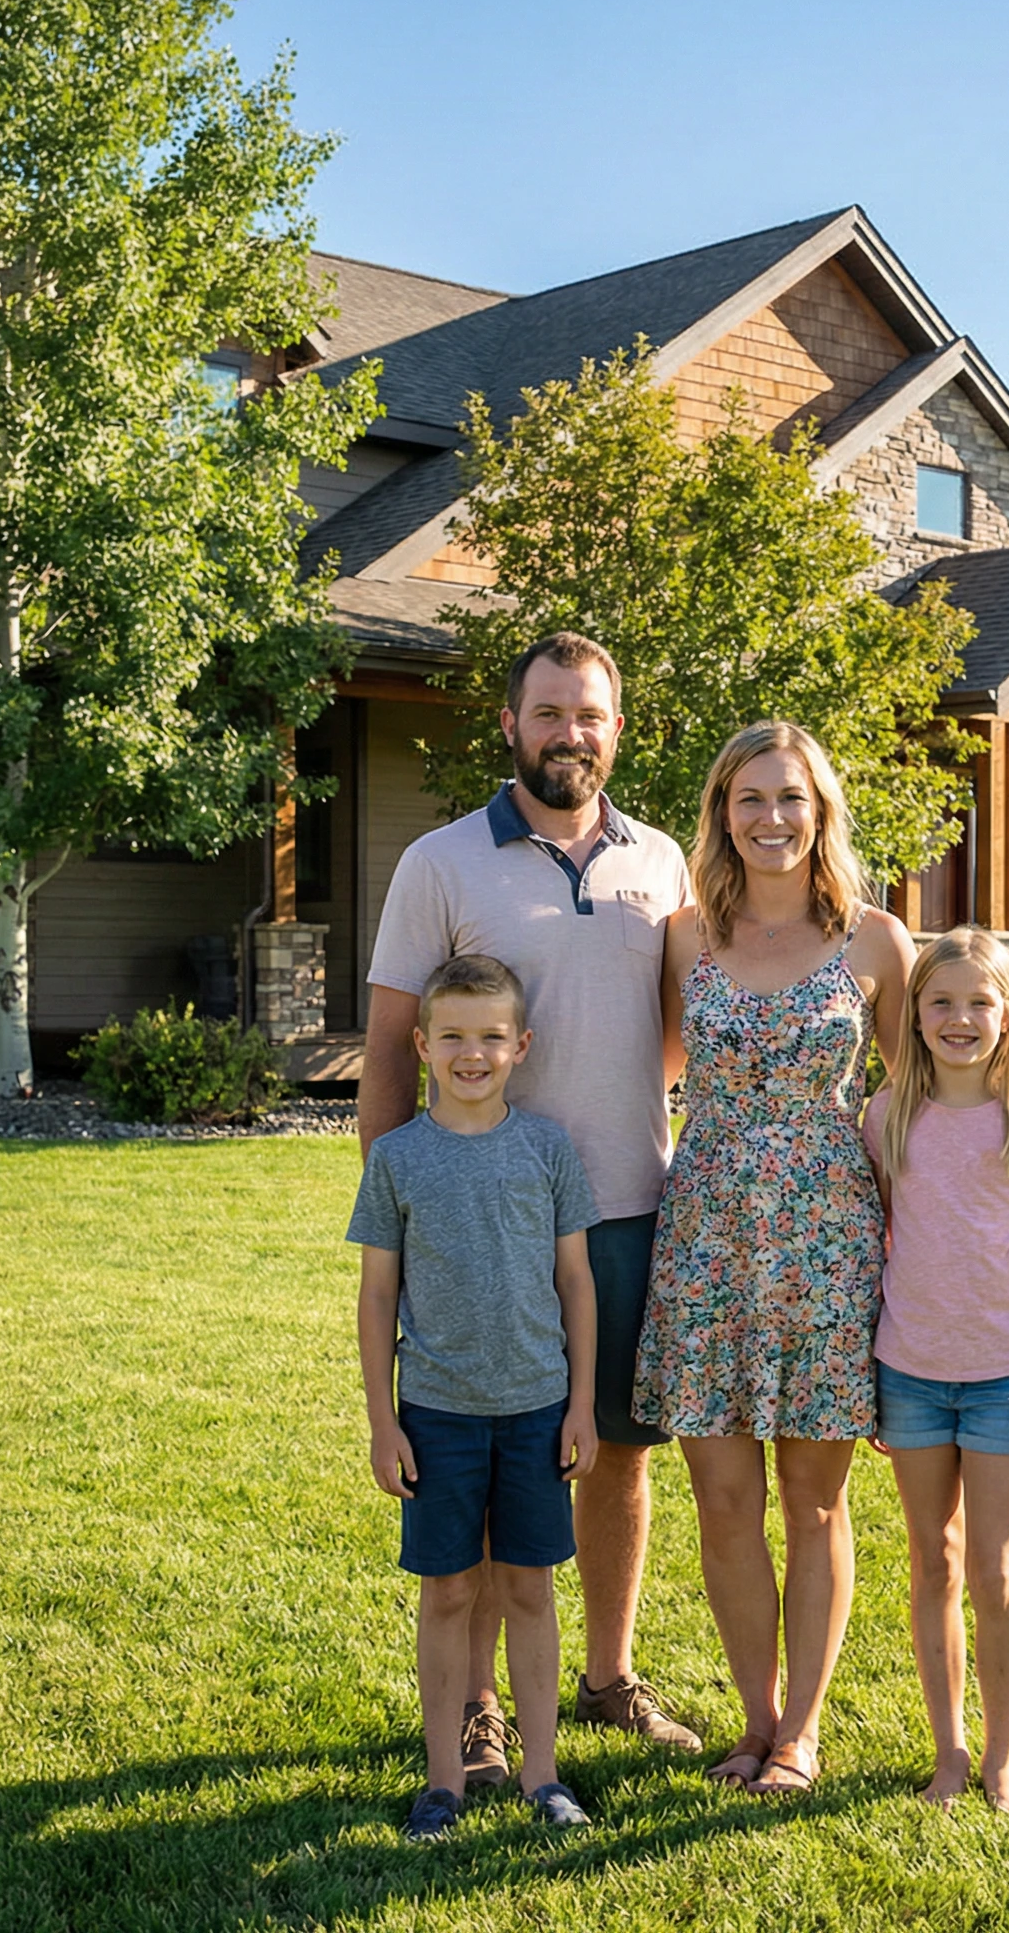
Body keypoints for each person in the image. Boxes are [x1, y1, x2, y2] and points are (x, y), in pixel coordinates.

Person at [359, 631, 703, 1786]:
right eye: (549, 712)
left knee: (613, 1453)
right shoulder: (440, 862)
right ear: (510, 724)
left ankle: (606, 1677)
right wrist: (396, 1215)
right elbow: (390, 1049)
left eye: (590, 714)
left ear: (617, 725)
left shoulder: (661, 862)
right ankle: (477, 1708)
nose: (571, 733)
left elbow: (671, 1024)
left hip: (628, 1206)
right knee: (498, 1449)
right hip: (475, 1225)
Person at [632, 722, 915, 1795]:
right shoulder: (682, 938)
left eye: (790, 798)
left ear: (821, 810)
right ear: (720, 813)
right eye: (748, 798)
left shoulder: (878, 942)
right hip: (704, 1242)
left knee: (813, 1501)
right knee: (718, 1495)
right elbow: (650, 1075)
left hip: (829, 1247)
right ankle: (751, 1720)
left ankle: (800, 1732)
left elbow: (917, 1105)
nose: (770, 818)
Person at [352, 954, 601, 1838]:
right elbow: (378, 1295)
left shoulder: (546, 1150)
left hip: (536, 1408)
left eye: (491, 1036)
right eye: (453, 1036)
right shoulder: (397, 1160)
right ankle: (444, 1781)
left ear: (521, 1045)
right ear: (421, 1045)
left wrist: (580, 1405)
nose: (472, 1053)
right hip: (436, 1413)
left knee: (529, 1590)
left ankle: (544, 1776)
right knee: (450, 1594)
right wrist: (385, 1422)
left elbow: (577, 1283)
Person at [861, 927, 1009, 1817]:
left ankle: (1002, 1762)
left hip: (1002, 1380)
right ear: (912, 1015)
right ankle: (948, 1752)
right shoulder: (887, 1117)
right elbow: (882, 1234)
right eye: (940, 1002)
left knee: (996, 1573)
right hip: (910, 1372)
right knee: (932, 1563)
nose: (959, 1019)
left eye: (978, 1003)